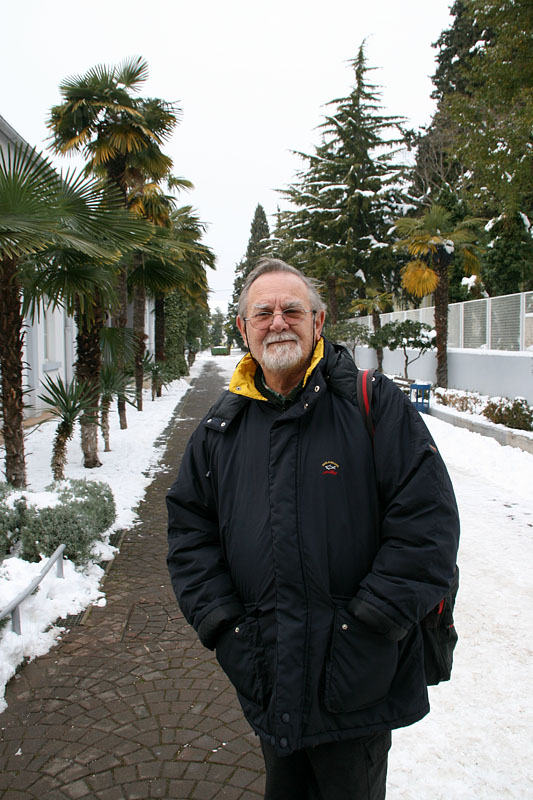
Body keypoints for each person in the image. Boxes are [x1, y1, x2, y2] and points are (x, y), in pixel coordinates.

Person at [167, 258, 460, 800]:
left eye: (293, 309)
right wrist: (227, 629)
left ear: (319, 322)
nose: (278, 321)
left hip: (357, 682)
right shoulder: (219, 431)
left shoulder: (373, 405)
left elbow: (428, 525)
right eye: (264, 312)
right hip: (268, 674)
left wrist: (369, 625)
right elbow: (190, 537)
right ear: (244, 329)